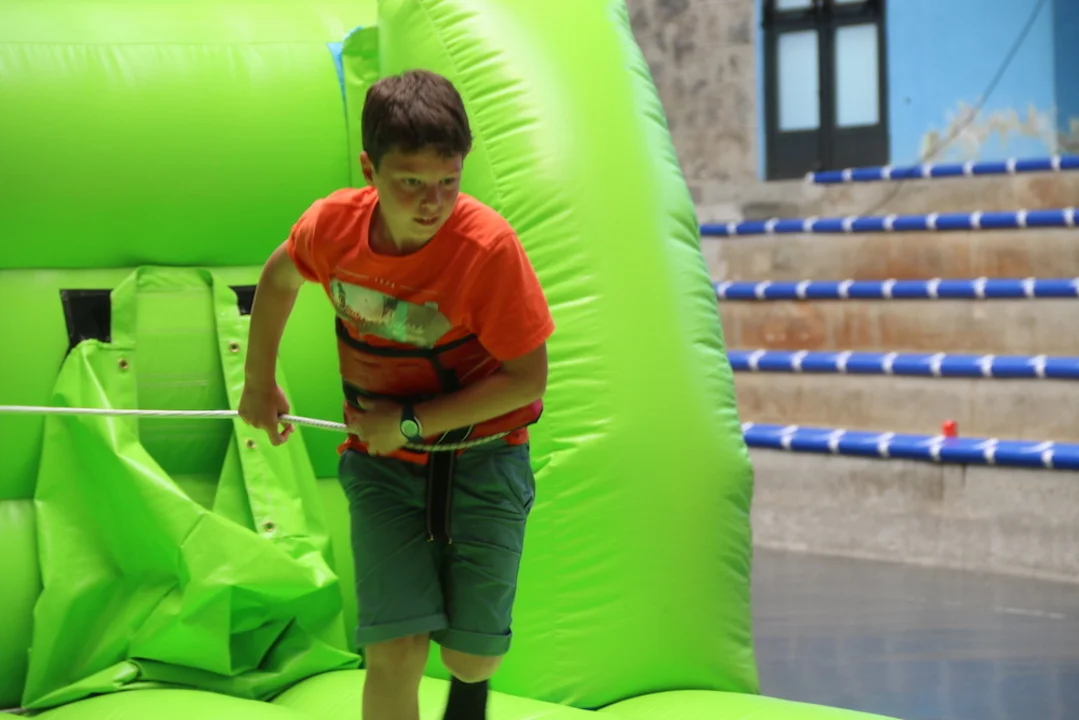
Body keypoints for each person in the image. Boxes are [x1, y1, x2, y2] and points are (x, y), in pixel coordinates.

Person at [238, 69, 554, 720]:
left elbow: (527, 378)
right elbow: (279, 277)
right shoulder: (333, 227)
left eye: (448, 181)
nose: (432, 202)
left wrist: (410, 422)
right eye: (410, 182)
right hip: (381, 467)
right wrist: (258, 381)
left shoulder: (488, 249)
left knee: (470, 659)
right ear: (369, 169)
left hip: (485, 459)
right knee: (394, 650)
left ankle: (470, 688)